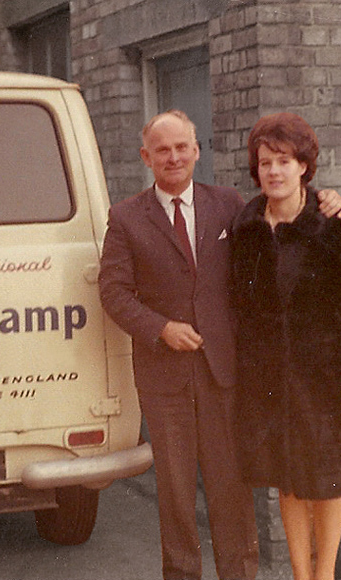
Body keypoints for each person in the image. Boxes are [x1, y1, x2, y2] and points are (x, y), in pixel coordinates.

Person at [98, 109, 341, 580]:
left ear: (197, 151)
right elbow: (113, 292)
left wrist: (328, 198)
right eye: (162, 149)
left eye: (182, 147)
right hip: (165, 379)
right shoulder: (126, 217)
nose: (173, 157)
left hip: (225, 374)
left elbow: (288, 208)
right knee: (174, 493)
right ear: (146, 157)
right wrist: (160, 327)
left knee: (232, 489)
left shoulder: (228, 204)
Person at [230, 112, 341, 580]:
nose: (273, 171)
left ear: (304, 167)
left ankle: (325, 574)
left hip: (325, 378)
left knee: (327, 482)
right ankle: (301, 575)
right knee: (288, 483)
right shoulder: (246, 227)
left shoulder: (331, 224)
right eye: (265, 162)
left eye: (283, 161)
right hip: (270, 381)